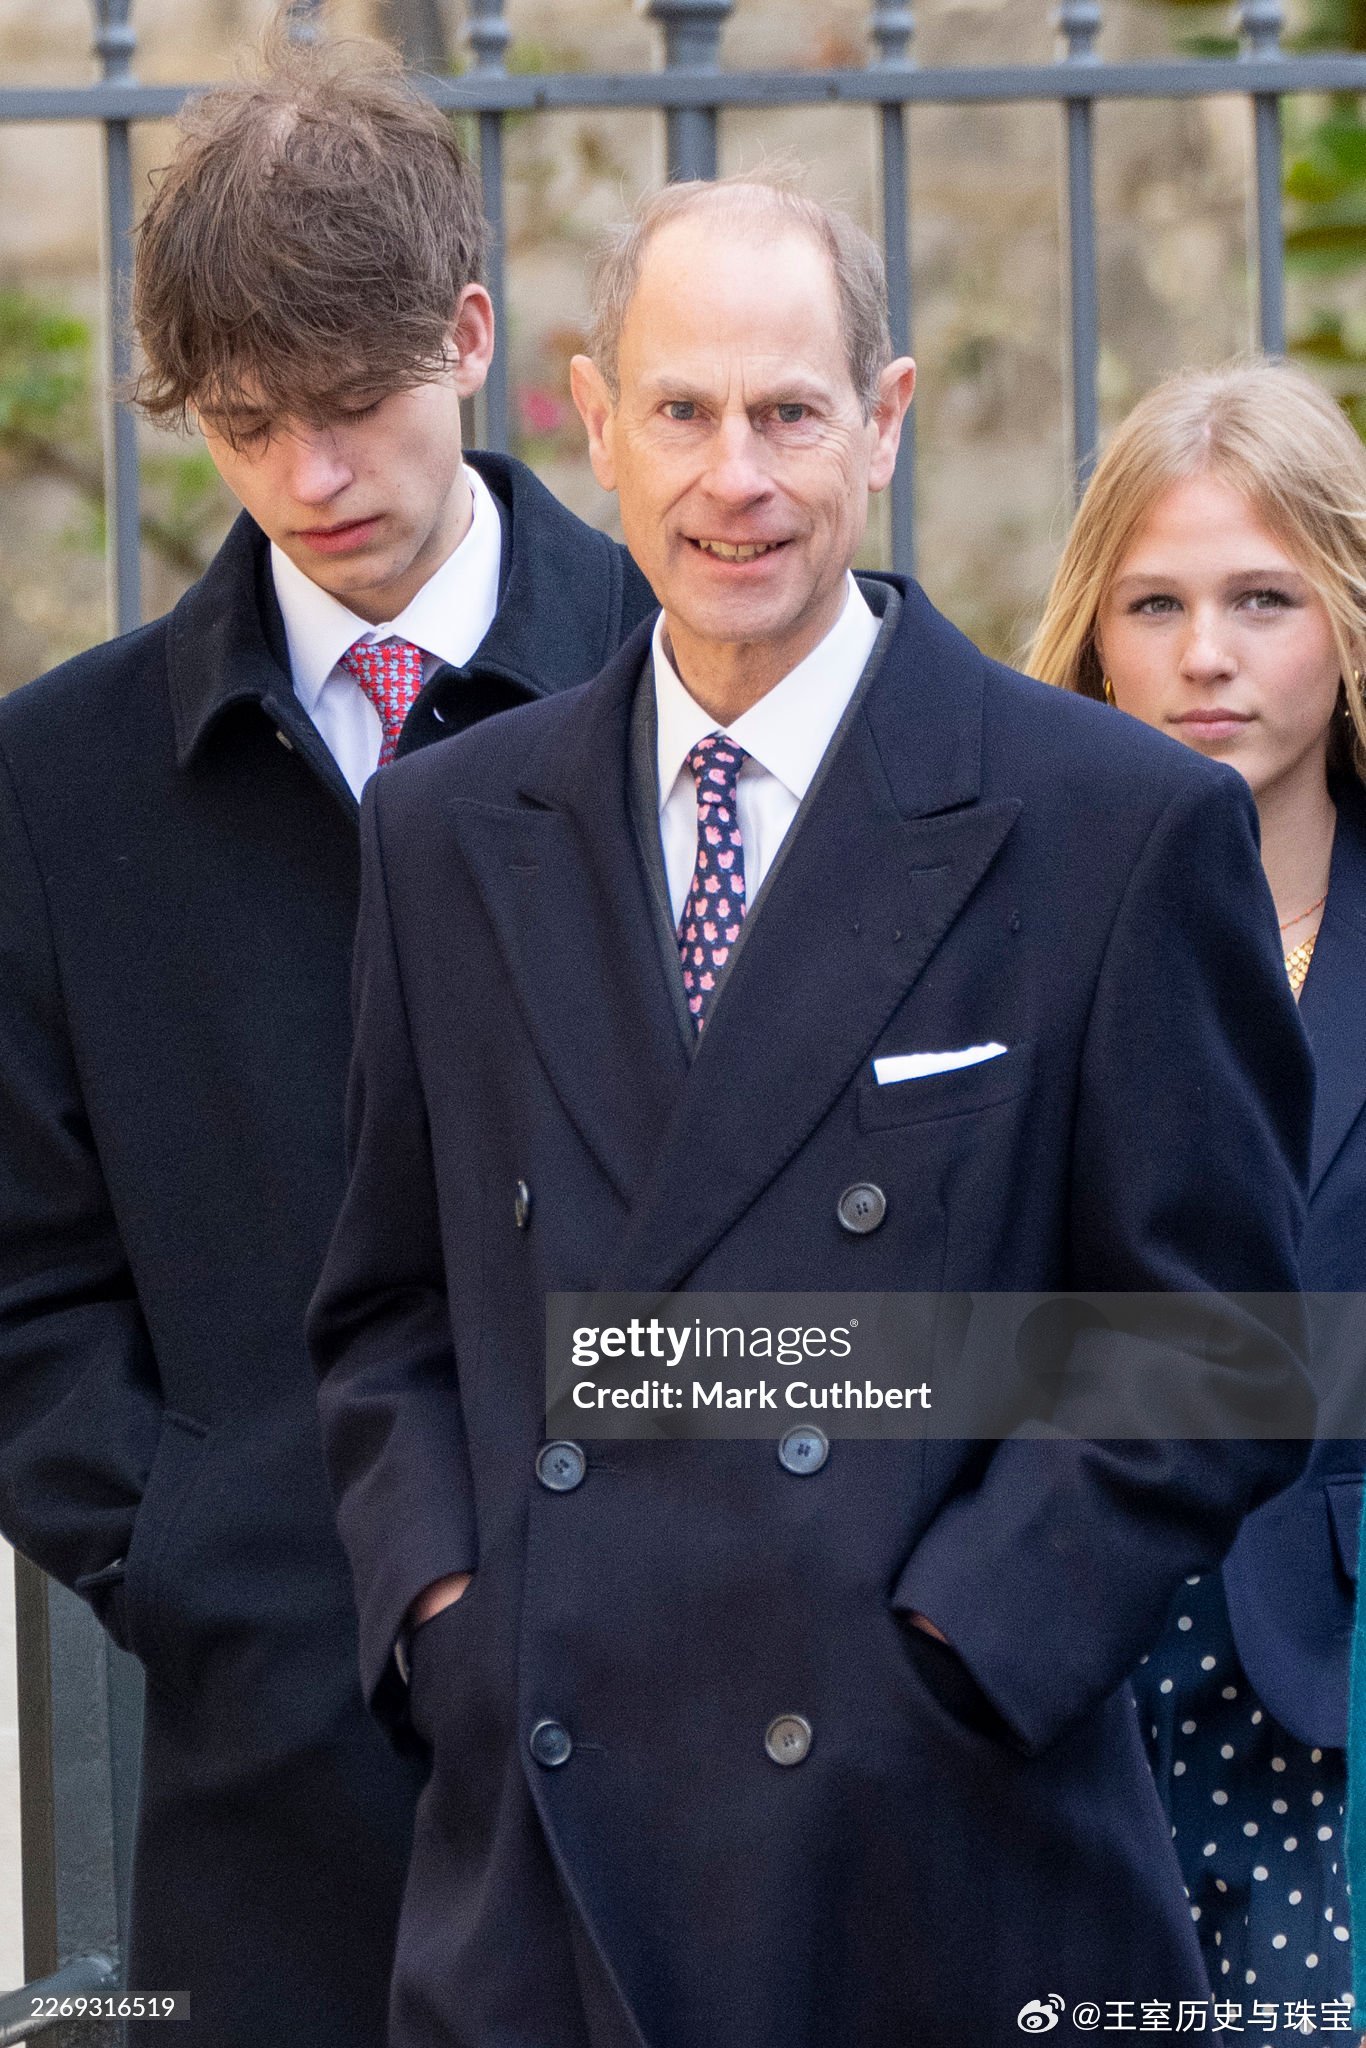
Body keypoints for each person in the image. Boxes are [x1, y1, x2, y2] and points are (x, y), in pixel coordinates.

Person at [309, 178, 1315, 2048]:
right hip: (543, 1861)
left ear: (884, 418)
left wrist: (955, 1650)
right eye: (681, 412)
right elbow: (386, 1312)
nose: (735, 478)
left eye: (788, 413)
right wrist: (450, 1615)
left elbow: (1214, 1341)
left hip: (937, 1862)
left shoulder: (1109, 824)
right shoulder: (446, 832)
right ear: (592, 422)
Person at [0, 31, 654, 2048]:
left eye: (354, 407)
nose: (308, 481)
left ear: (469, 333)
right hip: (270, 1781)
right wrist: (208, 1558)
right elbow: (22, 1284)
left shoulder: (697, 690)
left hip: (702, 1741)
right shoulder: (53, 783)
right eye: (243, 425)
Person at [1029, 356, 1366, 2017]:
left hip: (1335, 1691)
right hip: (1061, 1674)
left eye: (1261, 599)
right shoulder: (1001, 925)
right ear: (1094, 632)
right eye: (1153, 602)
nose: (1204, 654)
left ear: (1346, 621)